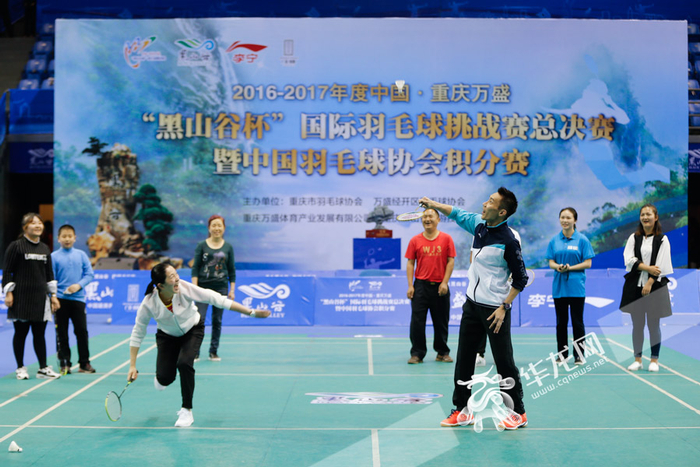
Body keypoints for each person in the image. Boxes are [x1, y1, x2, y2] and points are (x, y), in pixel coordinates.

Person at [420, 188, 529, 430]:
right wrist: (433, 203)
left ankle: (517, 412)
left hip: (495, 309)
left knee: (504, 362)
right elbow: (456, 213)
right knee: (464, 359)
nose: (484, 204)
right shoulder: (480, 225)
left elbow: (521, 278)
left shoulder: (509, 240)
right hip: (472, 304)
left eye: (490, 202)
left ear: (502, 212)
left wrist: (504, 306)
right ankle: (463, 409)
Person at [127, 262, 270, 427]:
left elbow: (215, 298)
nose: (177, 278)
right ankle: (162, 378)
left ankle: (186, 410)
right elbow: (138, 331)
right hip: (167, 336)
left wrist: (251, 312)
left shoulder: (183, 288)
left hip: (192, 330)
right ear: (160, 285)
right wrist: (132, 365)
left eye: (176, 274)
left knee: (184, 363)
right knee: (165, 378)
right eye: (172, 276)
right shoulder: (149, 303)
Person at [2, 213, 61, 380]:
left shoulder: (44, 248)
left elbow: (49, 274)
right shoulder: (16, 246)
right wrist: (9, 292)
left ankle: (43, 368)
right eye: (33, 223)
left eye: (39, 223)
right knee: (20, 334)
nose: (38, 225)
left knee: (39, 334)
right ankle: (20, 367)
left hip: (40, 299)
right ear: (24, 227)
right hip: (20, 298)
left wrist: (53, 295)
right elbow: (7, 271)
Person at [622, 204, 673, 372]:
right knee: (637, 325)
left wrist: (650, 282)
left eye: (648, 214)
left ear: (655, 217)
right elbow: (629, 259)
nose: (645, 217)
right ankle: (637, 360)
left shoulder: (663, 239)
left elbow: (662, 265)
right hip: (635, 287)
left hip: (655, 287)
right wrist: (647, 268)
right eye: (642, 214)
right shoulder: (634, 237)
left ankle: (654, 360)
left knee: (653, 325)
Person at [405, 208, 456, 364]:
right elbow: (410, 263)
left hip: (440, 287)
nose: (427, 219)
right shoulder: (415, 240)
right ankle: (417, 354)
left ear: (438, 220)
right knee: (417, 322)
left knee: (441, 322)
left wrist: (445, 282)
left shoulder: (446, 239)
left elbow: (451, 261)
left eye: (431, 216)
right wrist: (410, 285)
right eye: (424, 216)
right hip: (420, 286)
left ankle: (442, 352)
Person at [545, 207, 595, 365]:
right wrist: (558, 267)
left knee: (577, 322)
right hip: (559, 287)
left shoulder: (582, 240)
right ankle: (562, 355)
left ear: (575, 220)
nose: (565, 220)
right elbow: (551, 262)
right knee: (561, 323)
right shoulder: (554, 240)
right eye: (562, 217)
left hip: (576, 287)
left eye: (568, 218)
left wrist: (570, 268)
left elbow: (588, 263)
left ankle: (579, 355)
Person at [51, 224, 96, 375]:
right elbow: (51, 279)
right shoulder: (54, 257)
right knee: (62, 333)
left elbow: (89, 274)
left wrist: (78, 285)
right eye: (64, 236)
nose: (67, 239)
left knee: (81, 331)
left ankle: (84, 363)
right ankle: (65, 363)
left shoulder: (81, 255)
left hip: (78, 299)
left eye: (70, 236)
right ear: (58, 239)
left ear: (75, 238)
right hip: (60, 300)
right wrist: (53, 297)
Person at [191, 215, 236, 362]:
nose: (217, 228)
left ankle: (213, 351)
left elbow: (231, 270)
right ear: (209, 228)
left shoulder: (228, 247)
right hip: (202, 289)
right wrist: (194, 289)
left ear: (224, 228)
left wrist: (232, 289)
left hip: (221, 288)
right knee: (199, 320)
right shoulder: (201, 245)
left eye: (219, 225)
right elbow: (195, 268)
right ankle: (195, 352)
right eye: (214, 225)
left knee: (217, 321)